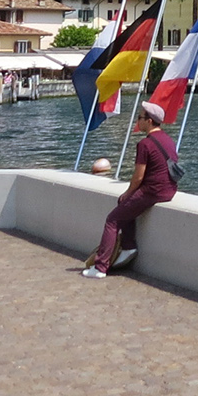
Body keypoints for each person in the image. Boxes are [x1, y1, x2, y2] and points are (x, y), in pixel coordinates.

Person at [82, 101, 178, 278]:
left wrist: (128, 192)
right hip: (168, 190)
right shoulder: (168, 140)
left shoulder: (145, 144)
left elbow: (139, 176)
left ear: (149, 121)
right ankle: (127, 246)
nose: (138, 121)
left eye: (140, 118)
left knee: (112, 220)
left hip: (152, 191)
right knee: (126, 206)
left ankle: (101, 267)